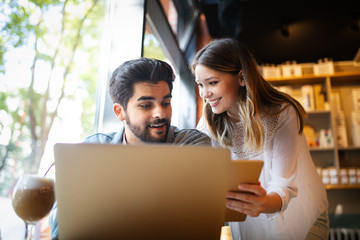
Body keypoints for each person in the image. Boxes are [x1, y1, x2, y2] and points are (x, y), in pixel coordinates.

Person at [49, 57, 211, 239]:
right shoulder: (92, 149)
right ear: (120, 112)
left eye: (166, 103)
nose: (160, 113)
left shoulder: (191, 144)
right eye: (146, 105)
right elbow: (59, 230)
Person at [191, 38, 329, 240]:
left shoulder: (281, 114)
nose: (205, 94)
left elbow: (283, 188)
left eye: (212, 83)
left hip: (303, 219)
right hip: (252, 225)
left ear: (241, 78)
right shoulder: (209, 122)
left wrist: (262, 203)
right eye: (200, 85)